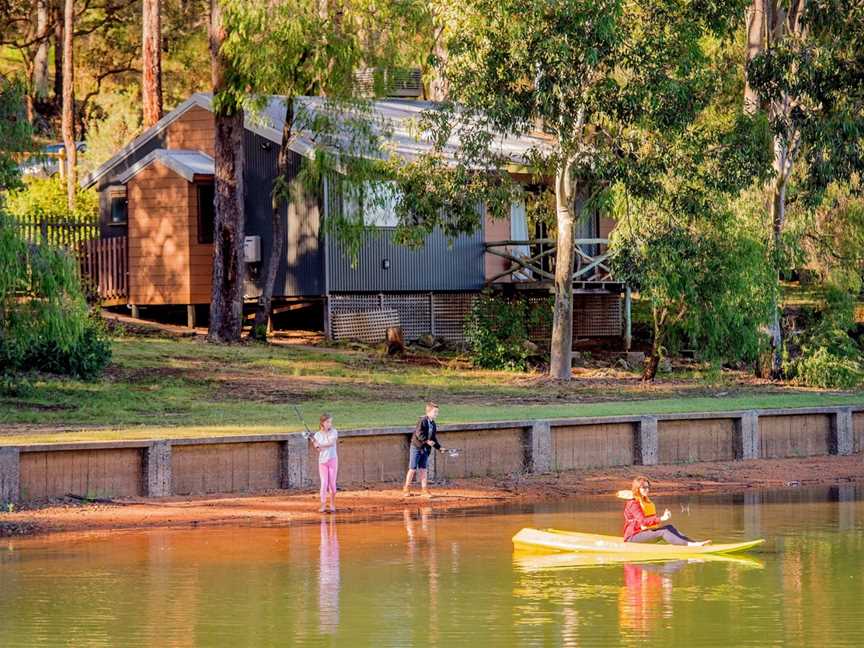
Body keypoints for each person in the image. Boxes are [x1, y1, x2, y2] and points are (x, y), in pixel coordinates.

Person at [623, 476, 710, 546]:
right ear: (637, 488)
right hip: (632, 537)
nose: (647, 489)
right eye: (644, 487)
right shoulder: (633, 503)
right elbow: (642, 521)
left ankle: (692, 542)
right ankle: (688, 545)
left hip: (645, 533)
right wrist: (661, 518)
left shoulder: (645, 501)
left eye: (648, 487)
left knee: (669, 527)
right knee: (664, 532)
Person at [402, 402, 445, 498]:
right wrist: (426, 441)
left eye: (437, 412)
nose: (436, 414)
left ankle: (424, 490)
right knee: (412, 468)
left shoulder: (433, 424)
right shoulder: (422, 420)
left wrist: (439, 448)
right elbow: (418, 433)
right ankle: (406, 488)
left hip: (425, 449)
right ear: (428, 412)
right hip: (416, 447)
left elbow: (433, 438)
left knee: (423, 469)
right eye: (435, 412)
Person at [313, 413, 338, 513]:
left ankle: (332, 503)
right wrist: (316, 444)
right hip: (322, 462)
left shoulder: (334, 432)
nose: (330, 424)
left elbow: (331, 443)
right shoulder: (317, 435)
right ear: (322, 423)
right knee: (324, 483)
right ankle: (323, 505)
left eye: (330, 422)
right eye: (327, 422)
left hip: (332, 460)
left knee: (332, 484)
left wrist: (320, 444)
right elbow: (318, 449)